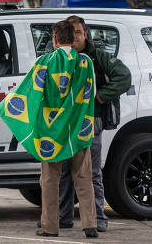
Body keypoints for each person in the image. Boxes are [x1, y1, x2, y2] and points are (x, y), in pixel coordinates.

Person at [0, 20, 98, 238]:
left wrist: (2, 107)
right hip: (78, 129)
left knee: (50, 180)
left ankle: (50, 227)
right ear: (74, 38)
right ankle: (90, 225)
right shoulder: (86, 63)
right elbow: (89, 94)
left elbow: (28, 92)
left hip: (51, 132)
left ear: (54, 39)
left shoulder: (45, 62)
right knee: (84, 178)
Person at [58, 15, 131, 233]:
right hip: (64, 124)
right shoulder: (60, 56)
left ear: (85, 34)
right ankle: (64, 217)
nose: (74, 37)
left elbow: (124, 77)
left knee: (91, 172)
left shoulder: (97, 56)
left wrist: (100, 96)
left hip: (91, 121)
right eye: (71, 34)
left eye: (78, 33)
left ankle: (99, 219)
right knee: (64, 172)